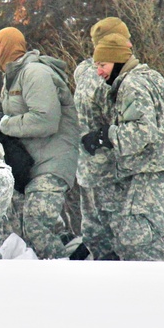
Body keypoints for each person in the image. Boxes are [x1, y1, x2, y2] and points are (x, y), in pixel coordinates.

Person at [80, 17, 164, 261]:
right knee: (154, 238)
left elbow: (143, 132)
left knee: (138, 237)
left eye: (103, 64)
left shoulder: (132, 84)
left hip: (158, 172)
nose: (98, 71)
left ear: (118, 60)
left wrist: (104, 136)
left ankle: (150, 292)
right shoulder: (144, 77)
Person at [0, 26, 80, 259]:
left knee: (36, 223)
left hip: (53, 160)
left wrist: (5, 124)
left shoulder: (34, 74)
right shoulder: (11, 78)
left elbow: (46, 120)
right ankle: (73, 253)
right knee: (20, 226)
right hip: (33, 164)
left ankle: (59, 269)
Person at [73, 32, 115, 261]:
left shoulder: (84, 72)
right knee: (108, 225)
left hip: (86, 161)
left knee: (92, 226)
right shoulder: (105, 78)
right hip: (105, 162)